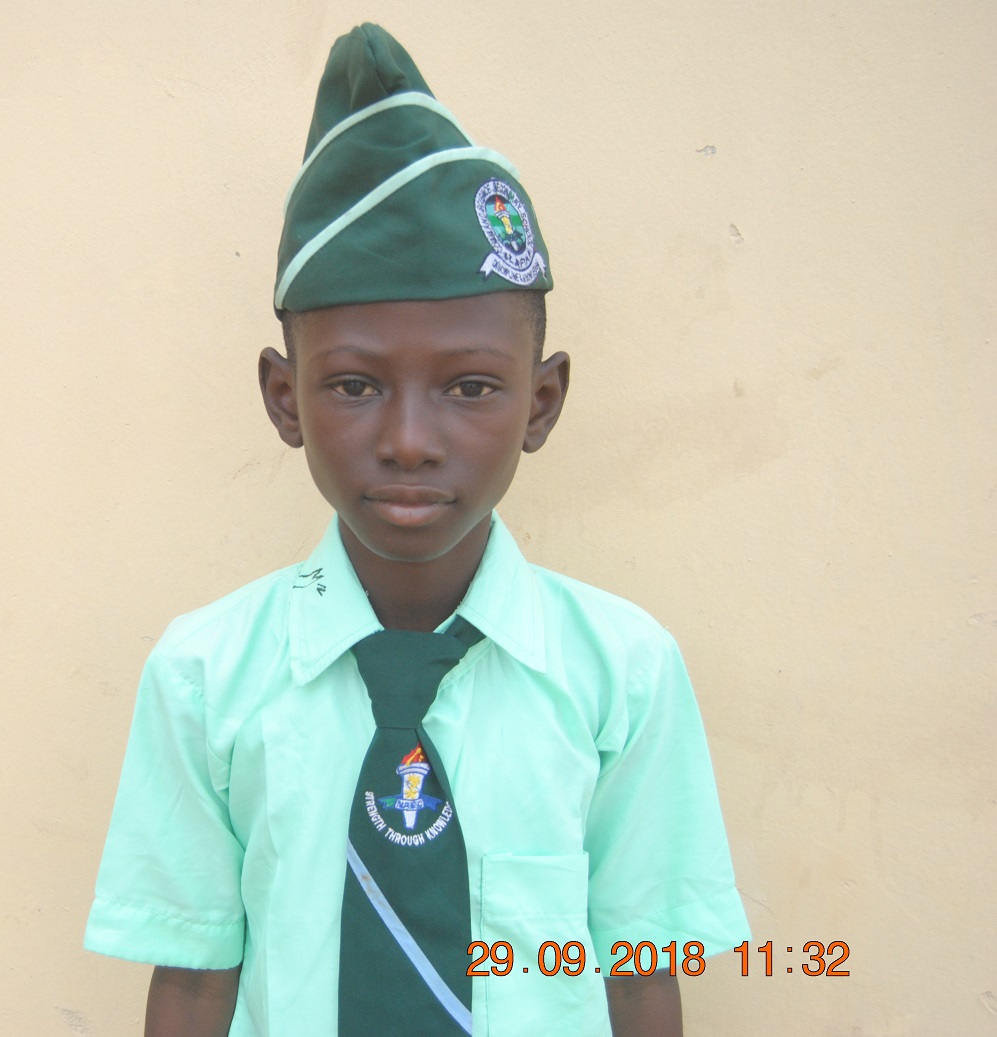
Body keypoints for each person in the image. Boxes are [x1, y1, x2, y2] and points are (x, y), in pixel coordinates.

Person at [84, 22, 749, 1037]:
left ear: (541, 402)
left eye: (469, 387)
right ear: (283, 399)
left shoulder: (621, 673)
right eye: (353, 385)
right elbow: (193, 978)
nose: (406, 441)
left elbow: (641, 967)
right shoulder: (205, 676)